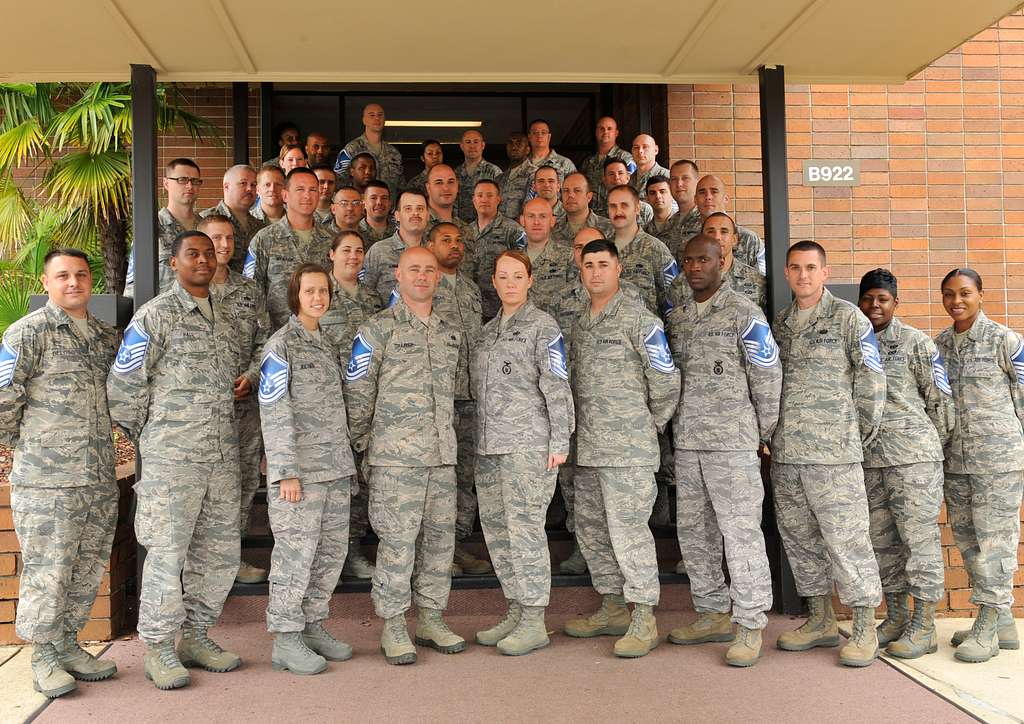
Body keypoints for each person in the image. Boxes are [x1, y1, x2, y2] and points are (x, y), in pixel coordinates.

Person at [108, 230, 242, 690]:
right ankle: (160, 647)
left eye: (208, 253)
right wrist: (156, 435)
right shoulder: (155, 316)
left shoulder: (224, 315)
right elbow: (124, 388)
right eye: (193, 254)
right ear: (174, 262)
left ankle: (197, 636)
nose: (203, 260)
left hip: (221, 458)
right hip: (173, 461)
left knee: (218, 552)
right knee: (167, 554)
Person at [0, 249, 118, 698]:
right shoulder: (27, 333)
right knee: (49, 570)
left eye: (81, 275)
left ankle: (68, 644)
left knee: (86, 565)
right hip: (48, 479)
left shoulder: (105, 337)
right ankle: (44, 656)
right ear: (46, 283)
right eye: (63, 276)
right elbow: (3, 400)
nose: (74, 283)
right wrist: (35, 446)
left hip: (97, 474)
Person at [344, 246, 465, 666]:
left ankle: (431, 618)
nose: (422, 276)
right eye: (414, 269)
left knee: (438, 542)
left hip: (441, 457)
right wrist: (364, 448)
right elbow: (357, 397)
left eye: (429, 270)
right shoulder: (376, 329)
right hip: (395, 460)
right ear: (398, 273)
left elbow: (458, 396)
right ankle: (393, 625)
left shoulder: (450, 331)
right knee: (397, 543)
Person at [665, 234, 780, 667]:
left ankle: (749, 624)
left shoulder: (744, 314)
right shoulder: (677, 319)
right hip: (689, 444)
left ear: (722, 262)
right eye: (689, 260)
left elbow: (767, 376)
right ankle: (712, 612)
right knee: (695, 534)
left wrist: (762, 432)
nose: (695, 267)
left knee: (741, 534)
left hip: (732, 445)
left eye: (704, 260)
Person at [563, 239, 680, 658]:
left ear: (618, 269)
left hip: (628, 451)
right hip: (587, 450)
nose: (595, 272)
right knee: (593, 531)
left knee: (629, 534)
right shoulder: (578, 323)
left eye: (602, 264)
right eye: (588, 265)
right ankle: (612, 606)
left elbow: (666, 383)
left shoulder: (639, 320)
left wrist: (645, 425)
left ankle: (644, 616)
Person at [771, 240, 885, 667]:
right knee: (800, 540)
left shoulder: (847, 318)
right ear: (786, 273)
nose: (803, 275)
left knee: (847, 541)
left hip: (834, 455)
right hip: (788, 455)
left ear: (824, 272)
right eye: (795, 267)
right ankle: (818, 619)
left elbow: (872, 383)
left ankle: (863, 625)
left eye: (811, 268)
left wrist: (855, 438)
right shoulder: (780, 324)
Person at [472, 250, 575, 655]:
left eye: (518, 275)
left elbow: (557, 385)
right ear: (494, 282)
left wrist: (559, 441)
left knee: (526, 531)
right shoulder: (486, 331)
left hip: (529, 446)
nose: (510, 282)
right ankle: (515, 608)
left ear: (530, 280)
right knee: (498, 532)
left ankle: (534, 618)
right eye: (503, 276)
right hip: (490, 447)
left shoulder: (543, 327)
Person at [259, 264, 356, 676]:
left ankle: (313, 625)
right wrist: (285, 471)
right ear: (295, 296)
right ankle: (285, 637)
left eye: (323, 291)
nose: (318, 298)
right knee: (295, 557)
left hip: (333, 468)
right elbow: (273, 409)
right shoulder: (281, 346)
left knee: (330, 553)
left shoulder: (329, 341)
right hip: (299, 474)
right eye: (310, 291)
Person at [856, 268, 954, 659]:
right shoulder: (855, 341)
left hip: (913, 460)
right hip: (870, 461)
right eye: (868, 299)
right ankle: (895, 617)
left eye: (882, 299)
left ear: (895, 302)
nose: (874, 305)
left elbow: (942, 404)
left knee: (919, 541)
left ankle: (924, 625)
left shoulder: (917, 343)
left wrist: (926, 447)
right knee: (883, 544)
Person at [935, 268, 1024, 662]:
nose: (957, 300)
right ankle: (1000, 620)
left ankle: (988, 622)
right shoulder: (939, 346)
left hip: (997, 459)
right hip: (956, 461)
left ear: (981, 294)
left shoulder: (1006, 341)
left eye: (965, 293)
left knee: (996, 542)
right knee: (968, 540)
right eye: (950, 294)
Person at [201, 215, 270, 586]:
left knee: (243, 484)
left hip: (244, 408)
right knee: (208, 485)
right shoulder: (185, 292)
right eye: (215, 237)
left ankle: (234, 558)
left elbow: (265, 343)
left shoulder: (249, 291)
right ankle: (206, 564)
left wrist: (253, 375)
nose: (224, 244)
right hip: (201, 414)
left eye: (228, 238)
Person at [425, 223, 490, 576]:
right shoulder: (423, 286)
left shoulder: (470, 289)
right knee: (439, 478)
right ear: (430, 244)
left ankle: (456, 543)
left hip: (470, 397)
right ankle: (435, 551)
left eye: (459, 240)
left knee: (465, 475)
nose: (455, 245)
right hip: (438, 399)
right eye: (446, 240)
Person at [319, 231, 383, 580]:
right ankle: (331, 556)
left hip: (368, 405)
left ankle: (352, 551)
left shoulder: (374, 299)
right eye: (346, 250)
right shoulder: (318, 295)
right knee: (334, 485)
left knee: (361, 483)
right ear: (332, 254)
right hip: (329, 407)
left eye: (359, 250)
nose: (353, 256)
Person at [244, 168, 336, 331]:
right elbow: (251, 291)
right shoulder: (265, 239)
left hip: (324, 336)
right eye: (300, 189)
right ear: (285, 195)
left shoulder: (332, 240)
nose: (307, 196)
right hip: (278, 336)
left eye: (313, 190)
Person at [126, 158, 202, 298]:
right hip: (163, 314)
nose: (190, 186)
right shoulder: (151, 227)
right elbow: (133, 286)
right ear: (166, 183)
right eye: (182, 180)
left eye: (195, 181)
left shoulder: (205, 228)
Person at [666, 212, 765, 311]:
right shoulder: (682, 282)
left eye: (724, 231)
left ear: (734, 240)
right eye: (710, 231)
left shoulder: (757, 281)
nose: (717, 237)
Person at [606, 185, 677, 315]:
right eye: (613, 206)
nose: (618, 211)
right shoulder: (602, 250)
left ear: (637, 208)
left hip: (645, 333)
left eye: (624, 205)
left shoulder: (656, 250)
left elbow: (673, 303)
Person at [470, 178, 527, 320]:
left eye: (489, 195)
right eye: (480, 195)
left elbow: (524, 268)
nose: (484, 199)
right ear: (474, 200)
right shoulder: (465, 231)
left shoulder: (513, 230)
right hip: (471, 308)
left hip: (502, 308)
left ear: (498, 199)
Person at [499, 119, 576, 219]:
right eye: (535, 133)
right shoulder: (520, 164)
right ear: (529, 137)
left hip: (557, 220)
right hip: (522, 223)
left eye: (543, 132)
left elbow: (574, 193)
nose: (539, 136)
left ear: (549, 137)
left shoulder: (564, 164)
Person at [363, 189, 429, 303]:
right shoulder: (379, 251)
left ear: (427, 215)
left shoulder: (433, 252)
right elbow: (364, 293)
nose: (415, 213)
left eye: (420, 209)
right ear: (397, 216)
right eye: (408, 209)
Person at [200, 164, 266, 274]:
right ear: (226, 186)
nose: (249, 188)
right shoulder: (205, 221)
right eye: (243, 183)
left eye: (253, 185)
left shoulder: (260, 227)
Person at [693, 175, 765, 274]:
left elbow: (763, 281)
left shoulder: (749, 239)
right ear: (695, 200)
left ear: (726, 199)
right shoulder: (688, 237)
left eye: (714, 191)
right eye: (702, 192)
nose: (708, 197)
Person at [335, 103, 404, 199]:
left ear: (384, 120)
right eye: (372, 115)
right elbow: (338, 182)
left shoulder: (394, 153)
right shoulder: (351, 149)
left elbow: (401, 187)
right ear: (364, 120)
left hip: (388, 209)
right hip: (358, 208)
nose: (377, 118)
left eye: (380, 115)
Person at [519, 198, 573, 316]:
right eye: (531, 216)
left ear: (552, 221)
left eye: (543, 216)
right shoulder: (514, 261)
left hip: (557, 330)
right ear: (522, 220)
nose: (536, 222)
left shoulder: (569, 257)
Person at [425, 164, 477, 276]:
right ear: (428, 188)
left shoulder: (466, 229)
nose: (446, 188)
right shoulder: (418, 226)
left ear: (457, 186)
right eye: (439, 182)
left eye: (451, 182)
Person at [580, 116, 635, 214]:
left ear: (616, 133)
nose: (605, 132)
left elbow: (633, 187)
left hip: (617, 213)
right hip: (593, 217)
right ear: (596, 132)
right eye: (601, 129)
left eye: (609, 129)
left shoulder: (626, 158)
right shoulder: (588, 162)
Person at [455, 129, 503, 222]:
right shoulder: (455, 173)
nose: (472, 146)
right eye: (468, 142)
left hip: (487, 226)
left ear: (483, 145)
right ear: (461, 146)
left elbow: (500, 201)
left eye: (476, 142)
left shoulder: (494, 171)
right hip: (461, 227)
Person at [552, 172, 613, 244]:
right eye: (566, 191)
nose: (570, 195)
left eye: (577, 190)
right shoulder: (552, 229)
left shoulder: (610, 228)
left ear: (589, 197)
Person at [599, 158, 654, 227]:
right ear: (604, 179)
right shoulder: (597, 209)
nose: (616, 177)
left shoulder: (644, 209)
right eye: (611, 174)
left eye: (620, 173)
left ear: (628, 177)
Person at [630, 135, 671, 202]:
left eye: (645, 147)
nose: (640, 151)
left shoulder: (667, 176)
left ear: (656, 150)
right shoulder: (629, 180)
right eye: (636, 147)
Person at [360, 180, 396, 245]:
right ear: (364, 204)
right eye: (373, 198)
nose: (379, 202)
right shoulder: (355, 232)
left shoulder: (400, 231)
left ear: (390, 204)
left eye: (384, 198)